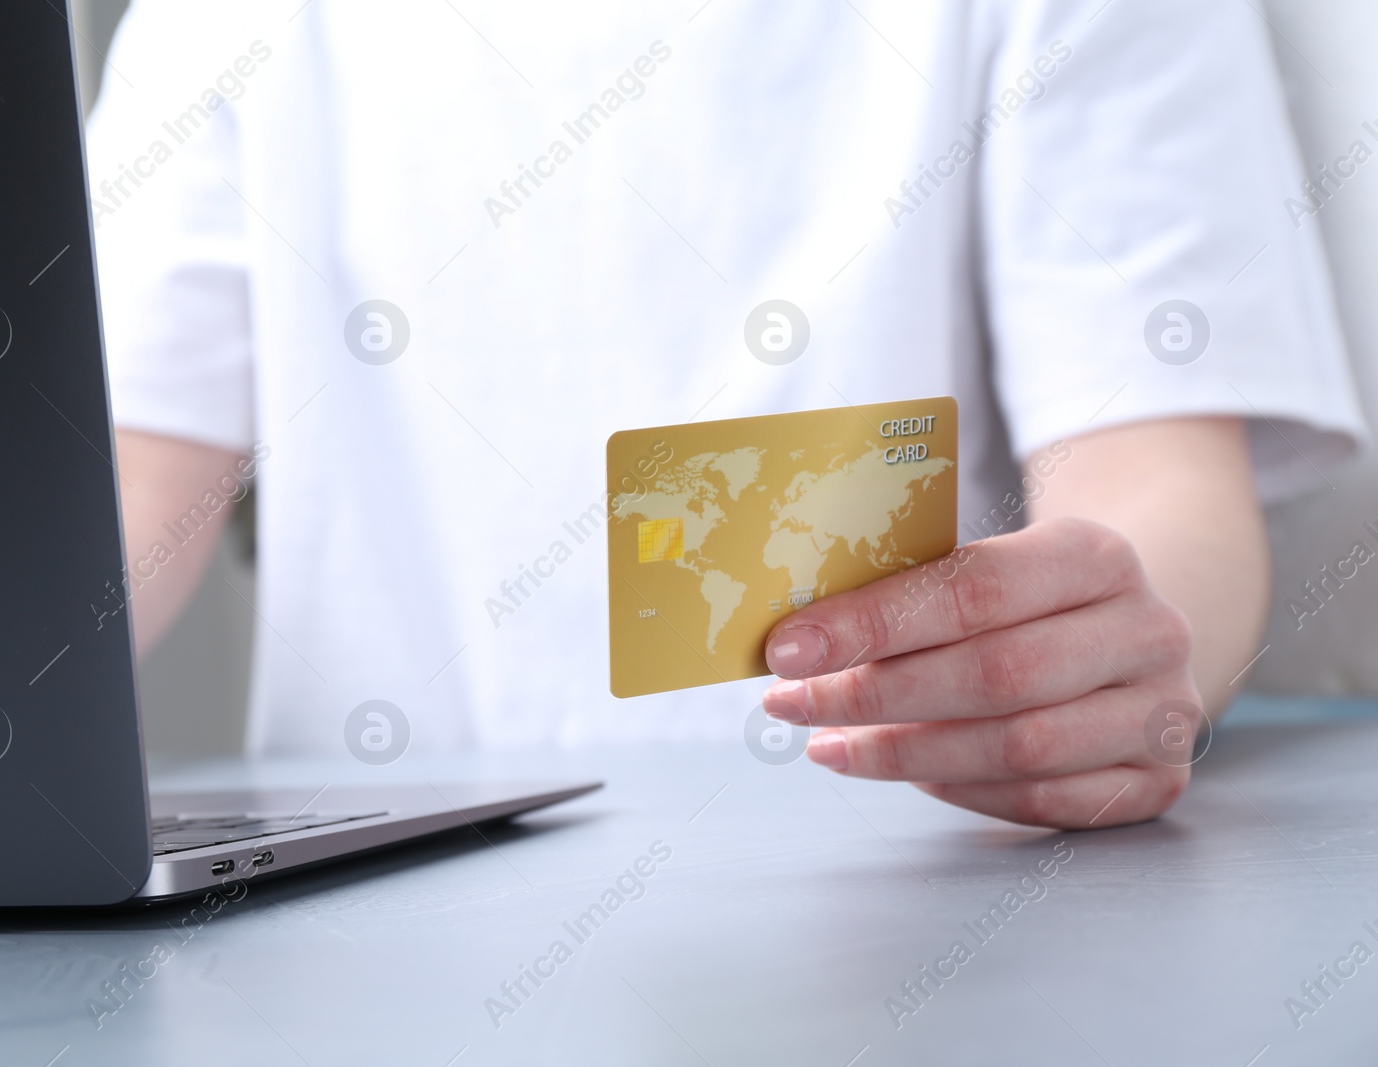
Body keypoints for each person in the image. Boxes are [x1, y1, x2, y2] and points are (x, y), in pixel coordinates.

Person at [88, 0, 1366, 829]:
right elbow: (117, 488)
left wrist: (1121, 665)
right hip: (364, 940)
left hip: (913, 895)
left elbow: (1153, 475)